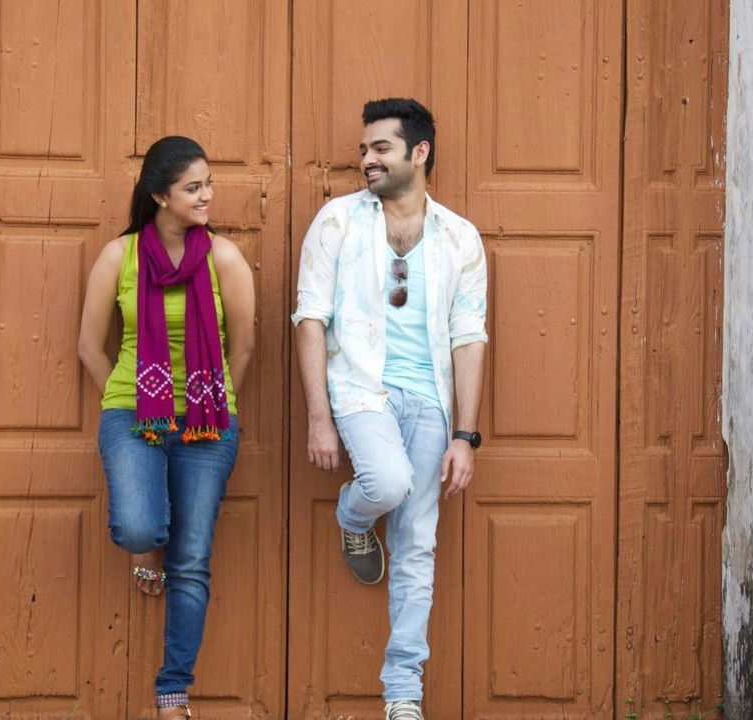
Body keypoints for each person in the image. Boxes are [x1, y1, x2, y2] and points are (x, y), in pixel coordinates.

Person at [292, 98, 488, 720]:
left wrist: (465, 436)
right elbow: (310, 318)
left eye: (381, 148)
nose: (368, 160)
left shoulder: (459, 237)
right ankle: (353, 514)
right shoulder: (337, 221)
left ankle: (403, 692)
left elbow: (469, 337)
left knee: (417, 545)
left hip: (431, 398)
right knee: (387, 482)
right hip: (359, 389)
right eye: (364, 150)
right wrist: (319, 418)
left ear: (419, 152)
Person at [78, 135, 255, 720]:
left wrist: (214, 403)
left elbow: (242, 349)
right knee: (138, 525)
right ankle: (147, 550)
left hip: (208, 424)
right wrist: (125, 398)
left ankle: (172, 693)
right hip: (133, 413)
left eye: (208, 184)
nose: (207, 196)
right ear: (159, 196)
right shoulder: (119, 257)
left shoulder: (224, 259)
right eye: (193, 187)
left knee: (192, 559)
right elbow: (89, 347)